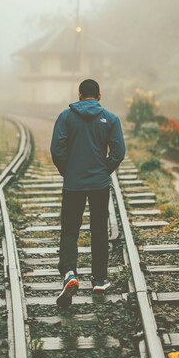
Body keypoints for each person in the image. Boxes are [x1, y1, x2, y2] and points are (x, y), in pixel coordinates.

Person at [50, 79, 125, 308]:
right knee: (99, 230)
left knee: (70, 229)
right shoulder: (110, 119)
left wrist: (68, 171)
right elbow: (118, 152)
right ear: (99, 96)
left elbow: (57, 149)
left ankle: (70, 273)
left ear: (79, 94)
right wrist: (104, 170)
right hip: (99, 185)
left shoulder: (65, 116)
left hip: (73, 184)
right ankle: (100, 279)